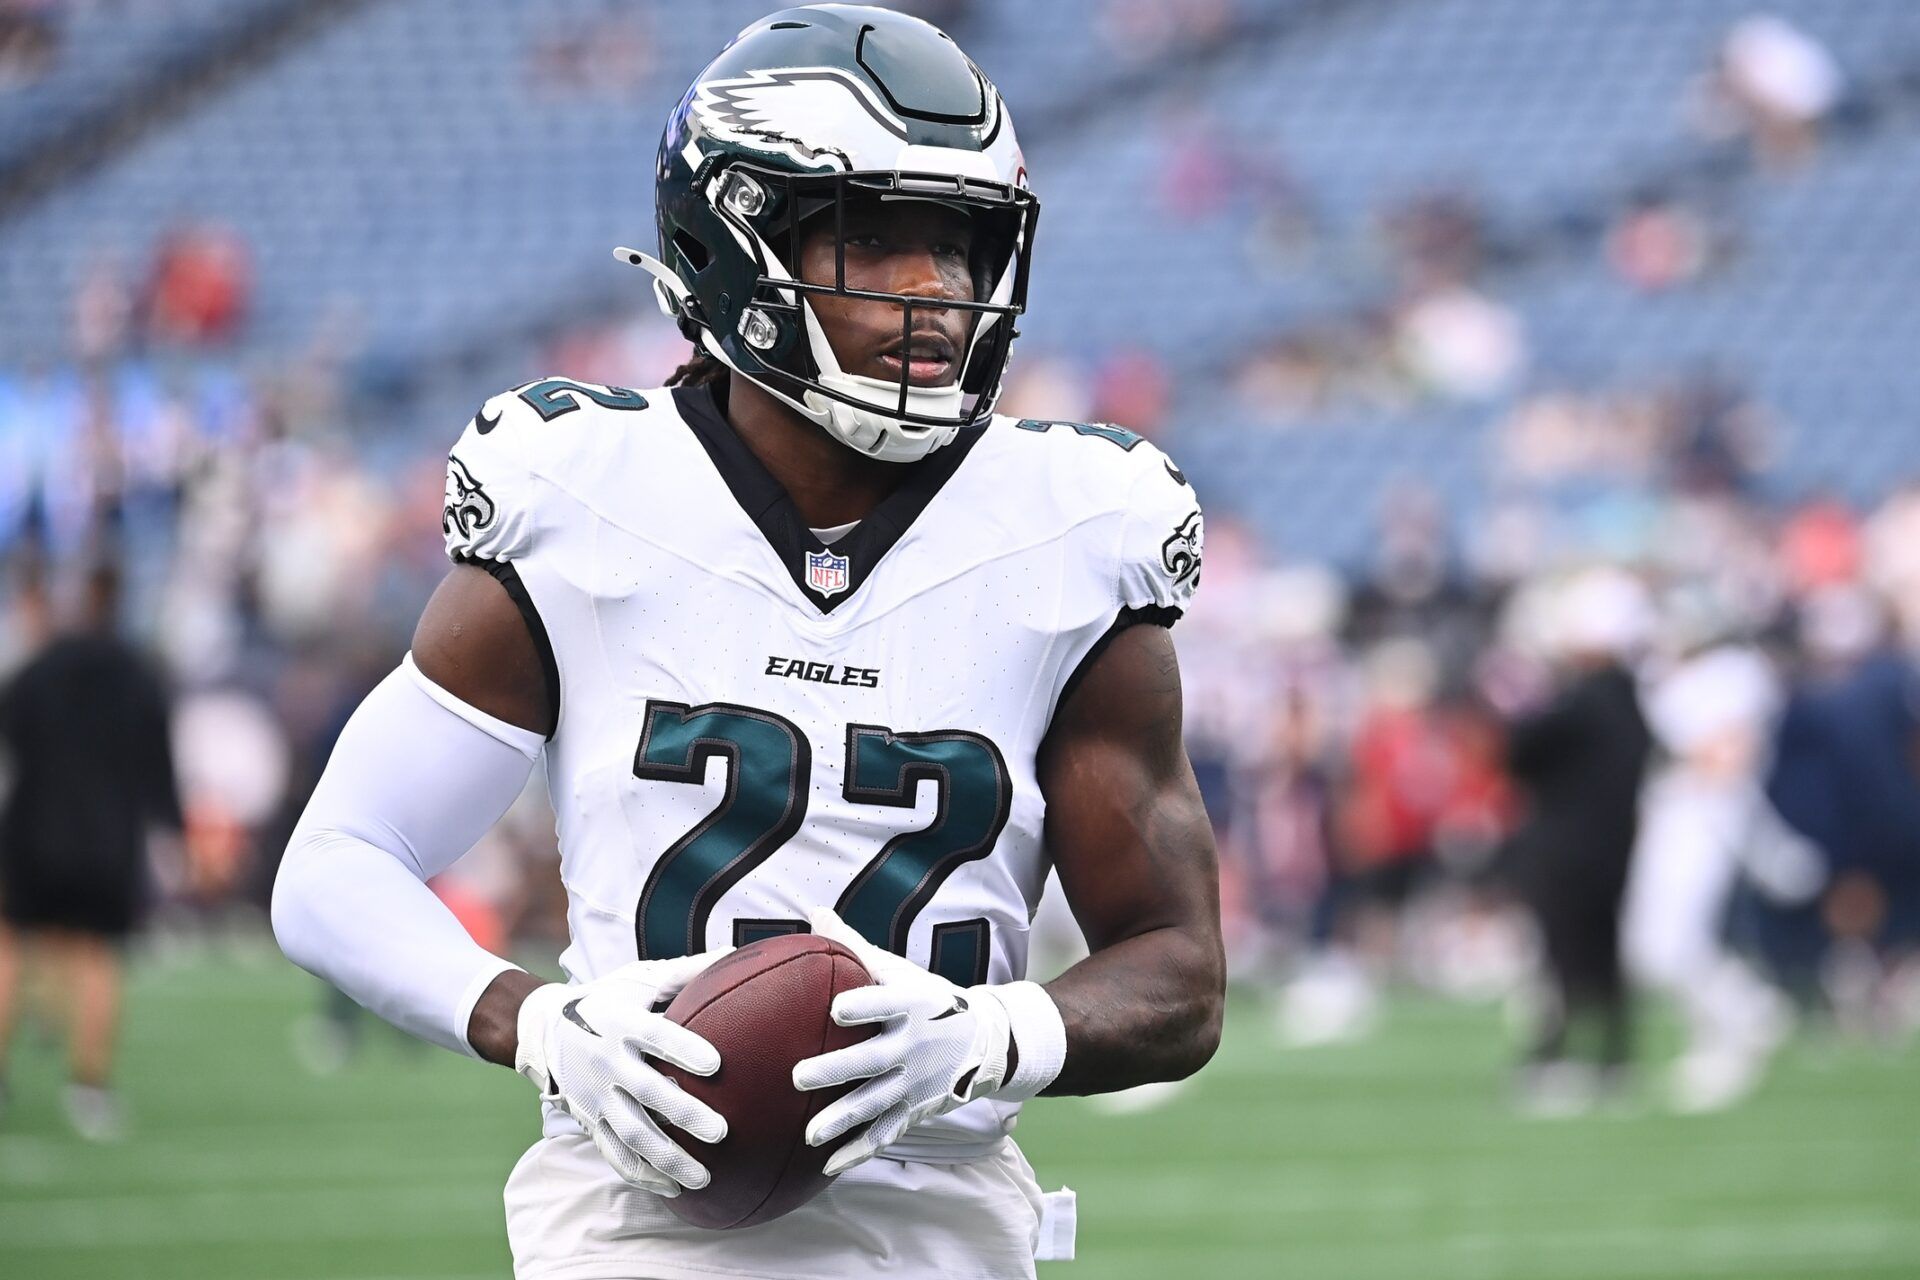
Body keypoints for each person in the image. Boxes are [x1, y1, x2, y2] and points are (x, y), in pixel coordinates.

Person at [271, 8, 1225, 1279]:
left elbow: (1181, 971)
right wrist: (540, 1022)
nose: (935, 290)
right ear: (733, 236)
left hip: (941, 1218)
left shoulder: (1076, 531)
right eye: (874, 237)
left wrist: (992, 1032)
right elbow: (337, 861)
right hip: (631, 1217)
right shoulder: (585, 492)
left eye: (960, 242)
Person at [0, 560, 183, 1139]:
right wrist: (172, 834)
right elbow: (160, 767)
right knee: (97, 960)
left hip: (32, 832)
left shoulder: (38, 670)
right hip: (107, 841)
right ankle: (89, 1089)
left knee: (9, 948)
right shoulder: (138, 674)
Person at [1502, 569, 1653, 1113]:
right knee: (1604, 955)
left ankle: (1556, 1057)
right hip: (1614, 846)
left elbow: (1519, 750)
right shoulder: (1631, 701)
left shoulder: (1582, 702)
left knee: (1563, 957)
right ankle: (1613, 1057)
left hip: (1566, 848)